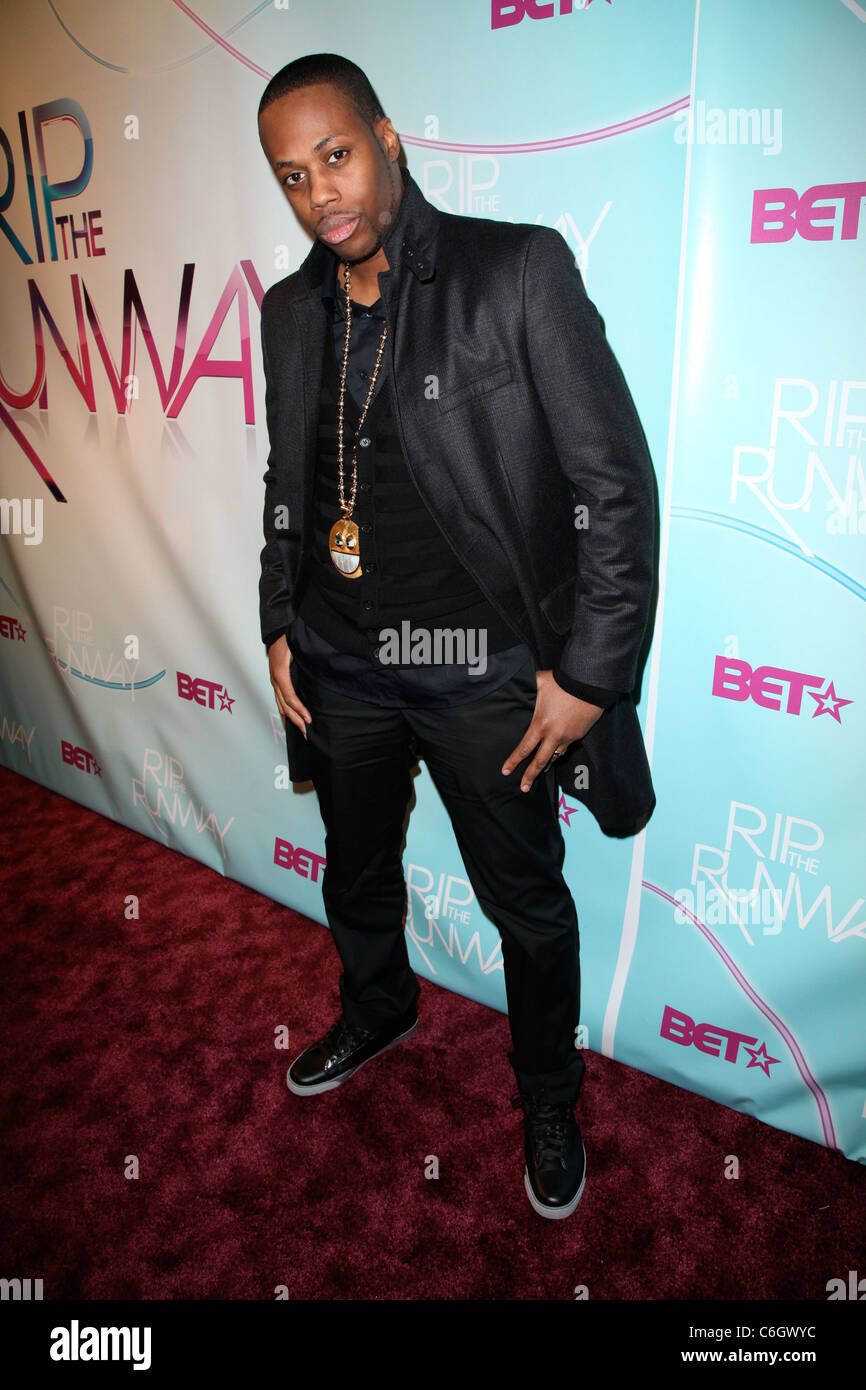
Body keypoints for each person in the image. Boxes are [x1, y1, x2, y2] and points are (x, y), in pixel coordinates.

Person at [256, 53, 656, 1219]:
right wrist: (280, 618)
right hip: (340, 662)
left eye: (334, 155)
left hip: (474, 668)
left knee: (525, 900)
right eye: (290, 176)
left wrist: (589, 668)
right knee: (357, 869)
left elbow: (612, 487)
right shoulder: (290, 314)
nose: (319, 192)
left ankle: (546, 1092)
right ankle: (378, 1006)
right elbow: (287, 481)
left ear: (386, 138)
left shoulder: (512, 271)